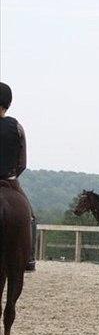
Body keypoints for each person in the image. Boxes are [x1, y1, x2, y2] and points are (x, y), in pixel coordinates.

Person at [0, 82, 36, 271]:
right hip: (9, 180)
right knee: (30, 216)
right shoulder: (17, 126)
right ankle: (29, 258)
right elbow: (22, 163)